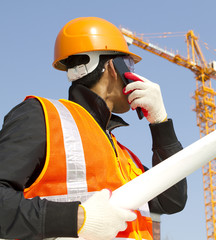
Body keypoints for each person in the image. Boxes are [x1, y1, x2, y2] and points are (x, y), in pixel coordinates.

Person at [0, 17, 187, 240]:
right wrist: (77, 218)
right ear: (112, 67)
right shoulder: (43, 116)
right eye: (129, 65)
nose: (134, 74)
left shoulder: (124, 157)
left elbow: (173, 199)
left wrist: (161, 123)